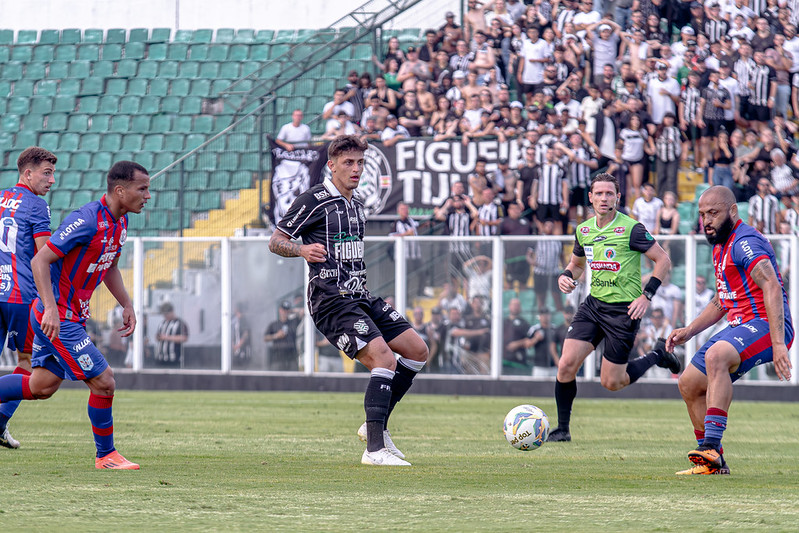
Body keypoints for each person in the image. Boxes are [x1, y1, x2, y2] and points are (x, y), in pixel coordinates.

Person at [269, 135, 429, 467]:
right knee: (384, 359)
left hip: (360, 296)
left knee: (417, 350)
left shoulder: (357, 205)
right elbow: (276, 240)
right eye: (348, 163)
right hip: (331, 300)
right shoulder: (314, 199)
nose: (355, 169)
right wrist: (301, 249)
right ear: (332, 165)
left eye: (360, 162)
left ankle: (377, 427)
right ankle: (374, 451)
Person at [0, 160, 150, 469]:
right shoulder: (86, 220)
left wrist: (127, 304)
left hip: (69, 316)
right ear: (120, 191)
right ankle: (106, 455)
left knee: (41, 385)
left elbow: (108, 265)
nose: (148, 195)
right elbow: (40, 261)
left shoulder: (120, 223)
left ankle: (105, 454)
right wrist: (51, 310)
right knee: (104, 382)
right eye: (143, 189)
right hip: (58, 318)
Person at [667, 186, 794, 475]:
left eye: (714, 213)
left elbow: (772, 285)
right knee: (688, 383)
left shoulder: (745, 242)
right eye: (702, 215)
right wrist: (689, 329)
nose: (707, 221)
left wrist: (777, 344)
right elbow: (722, 300)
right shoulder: (720, 245)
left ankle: (710, 445)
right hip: (739, 324)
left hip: (767, 323)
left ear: (733, 211)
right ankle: (712, 461)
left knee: (716, 356)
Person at [546, 173, 680, 443]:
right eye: (599, 193)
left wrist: (646, 296)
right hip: (593, 306)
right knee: (565, 365)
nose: (604, 198)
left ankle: (657, 355)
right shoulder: (584, 230)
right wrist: (565, 276)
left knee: (611, 382)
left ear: (618, 197)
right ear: (591, 197)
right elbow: (577, 265)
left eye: (610, 193)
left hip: (624, 312)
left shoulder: (631, 228)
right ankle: (562, 429)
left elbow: (663, 260)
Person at [0, 147, 57, 449]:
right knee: (26, 365)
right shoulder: (37, 205)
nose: (51, 181)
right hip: (21, 296)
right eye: (46, 173)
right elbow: (43, 254)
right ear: (28, 173)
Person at [263, 300, 301, 371]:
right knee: (277, 381)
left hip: (291, 359)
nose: (285, 312)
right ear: (280, 310)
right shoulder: (274, 324)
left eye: (287, 310)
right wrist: (276, 335)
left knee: (294, 380)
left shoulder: (293, 322)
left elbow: (303, 312)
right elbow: (265, 338)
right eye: (283, 310)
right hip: (278, 359)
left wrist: (292, 310)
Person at [154, 302, 189, 369]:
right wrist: (158, 337)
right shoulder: (162, 323)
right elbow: (158, 336)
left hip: (173, 360)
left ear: (172, 311)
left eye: (167, 314)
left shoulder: (180, 323)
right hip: (161, 359)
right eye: (164, 314)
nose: (165, 316)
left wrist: (166, 337)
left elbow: (184, 338)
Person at [232, 302, 252, 367]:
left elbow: (246, 334)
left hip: (243, 351)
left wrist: (238, 345)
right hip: (236, 351)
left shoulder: (244, 320)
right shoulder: (235, 320)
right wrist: (233, 345)